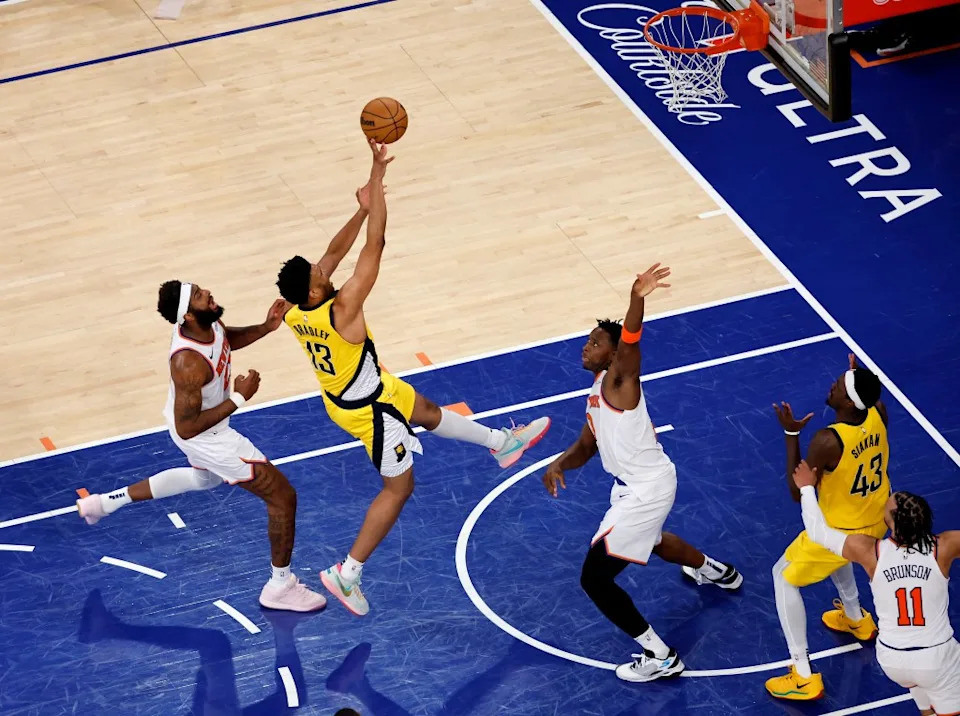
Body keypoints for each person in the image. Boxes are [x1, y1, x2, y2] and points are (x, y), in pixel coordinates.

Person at [274, 139, 550, 617]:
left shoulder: (299, 309)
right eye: (321, 274)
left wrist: (361, 206)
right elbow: (374, 246)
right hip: (368, 412)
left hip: (359, 390)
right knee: (399, 489)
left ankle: (500, 444)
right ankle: (348, 573)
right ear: (317, 289)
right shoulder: (343, 308)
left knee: (425, 410)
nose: (325, 270)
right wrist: (378, 185)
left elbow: (333, 253)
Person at [541, 265, 743, 683]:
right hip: (639, 488)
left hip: (645, 490)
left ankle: (660, 655)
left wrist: (637, 299)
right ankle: (715, 570)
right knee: (654, 541)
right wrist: (560, 463)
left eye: (595, 343)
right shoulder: (599, 391)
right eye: (588, 339)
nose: (586, 346)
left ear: (613, 356)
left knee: (595, 579)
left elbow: (631, 343)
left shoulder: (621, 380)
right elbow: (585, 446)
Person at [77, 283, 326, 612]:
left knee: (203, 480)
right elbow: (188, 426)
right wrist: (239, 397)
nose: (207, 292)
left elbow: (227, 340)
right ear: (189, 315)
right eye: (198, 295)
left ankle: (103, 504)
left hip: (201, 427)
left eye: (199, 289)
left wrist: (266, 328)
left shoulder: (208, 323)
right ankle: (280, 586)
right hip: (205, 435)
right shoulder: (187, 363)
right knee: (282, 497)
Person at [766, 355, 890, 700]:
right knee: (838, 557)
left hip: (842, 530)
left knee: (783, 576)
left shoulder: (827, 440)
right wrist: (856, 375)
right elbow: (872, 396)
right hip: (877, 521)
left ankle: (802, 674)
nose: (831, 385)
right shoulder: (877, 413)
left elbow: (796, 490)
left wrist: (792, 434)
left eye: (839, 384)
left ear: (849, 402)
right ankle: (855, 617)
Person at [793, 460, 960, 716]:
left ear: (891, 522)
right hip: (936, 658)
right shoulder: (945, 547)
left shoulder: (870, 551)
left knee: (927, 705)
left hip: (893, 660)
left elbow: (817, 532)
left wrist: (806, 488)